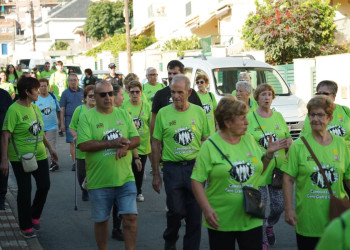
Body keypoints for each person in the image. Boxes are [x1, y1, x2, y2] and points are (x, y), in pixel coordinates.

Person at [191, 95, 285, 250]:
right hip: (221, 219)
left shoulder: (249, 139)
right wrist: (206, 209)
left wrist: (268, 155)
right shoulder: (210, 145)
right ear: (227, 122)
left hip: (251, 216)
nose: (247, 122)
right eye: (242, 119)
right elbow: (196, 180)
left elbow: (258, 170)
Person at [77, 80, 140, 250]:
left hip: (125, 178)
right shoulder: (87, 117)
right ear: (95, 97)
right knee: (102, 220)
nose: (108, 97)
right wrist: (112, 143)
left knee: (130, 217)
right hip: (99, 181)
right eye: (103, 94)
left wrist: (126, 146)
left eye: (110, 94)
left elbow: (136, 139)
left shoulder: (123, 114)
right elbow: (83, 145)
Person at [282, 95, 350, 250]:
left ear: (330, 118)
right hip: (308, 220)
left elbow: (348, 178)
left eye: (320, 115)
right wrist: (288, 209)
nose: (315, 119)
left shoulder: (341, 144)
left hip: (337, 217)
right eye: (311, 114)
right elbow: (288, 179)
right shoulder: (298, 146)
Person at [152, 74, 210, 250]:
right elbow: (155, 143)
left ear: (189, 92)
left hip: (195, 168)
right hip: (172, 168)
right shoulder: (163, 113)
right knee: (176, 211)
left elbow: (206, 140)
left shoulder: (199, 112)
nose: (175, 96)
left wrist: (209, 169)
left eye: (180, 92)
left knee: (194, 215)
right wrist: (156, 174)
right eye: (172, 92)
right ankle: (170, 238)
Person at [0, 77, 58, 238]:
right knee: (25, 190)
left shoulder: (34, 107)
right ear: (27, 92)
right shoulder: (14, 110)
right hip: (20, 157)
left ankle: (34, 216)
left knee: (44, 185)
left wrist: (51, 149)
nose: (39, 91)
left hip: (39, 154)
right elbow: (5, 135)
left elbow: (40, 130)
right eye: (36, 89)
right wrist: (4, 159)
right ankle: (25, 226)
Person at [247, 83, 293, 249]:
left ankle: (269, 224)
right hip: (259, 168)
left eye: (269, 94)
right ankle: (262, 239)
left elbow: (288, 137)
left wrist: (289, 143)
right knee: (260, 207)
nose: (267, 97)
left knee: (279, 206)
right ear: (256, 98)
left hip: (277, 170)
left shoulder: (278, 116)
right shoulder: (250, 117)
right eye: (263, 95)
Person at [150, 60, 202, 136]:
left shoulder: (191, 93)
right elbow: (154, 120)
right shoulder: (160, 94)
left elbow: (200, 115)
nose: (171, 76)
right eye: (169, 73)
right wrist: (154, 141)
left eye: (175, 73)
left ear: (183, 74)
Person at [121, 80, 151, 202]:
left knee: (139, 170)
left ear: (141, 92)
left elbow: (150, 124)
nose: (134, 94)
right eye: (132, 92)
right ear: (128, 92)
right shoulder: (124, 106)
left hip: (143, 144)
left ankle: (138, 191)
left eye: (137, 92)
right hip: (129, 144)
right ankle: (129, 191)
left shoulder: (146, 106)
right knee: (130, 169)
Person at [69, 85, 95, 201]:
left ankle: (95, 191)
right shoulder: (79, 110)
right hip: (82, 148)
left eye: (95, 95)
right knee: (81, 174)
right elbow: (72, 126)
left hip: (96, 148)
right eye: (90, 96)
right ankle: (84, 190)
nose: (93, 98)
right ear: (85, 97)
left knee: (95, 171)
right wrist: (75, 135)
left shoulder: (101, 110)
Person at [34, 78, 61, 172]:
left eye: (45, 86)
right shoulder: (35, 98)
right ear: (38, 88)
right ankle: (42, 163)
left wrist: (60, 122)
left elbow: (58, 110)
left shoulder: (53, 97)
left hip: (52, 126)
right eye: (41, 86)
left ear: (48, 86)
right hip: (40, 127)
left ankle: (53, 162)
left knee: (51, 144)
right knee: (41, 146)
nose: (43, 88)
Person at [59, 73, 84, 171]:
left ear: (78, 81)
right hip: (70, 120)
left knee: (83, 140)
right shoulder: (65, 93)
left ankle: (83, 160)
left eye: (75, 80)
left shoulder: (83, 91)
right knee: (72, 142)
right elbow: (62, 108)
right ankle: (75, 162)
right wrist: (62, 123)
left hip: (82, 121)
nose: (73, 82)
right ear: (68, 82)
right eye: (71, 80)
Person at [0, 89, 12, 210]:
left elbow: (11, 115)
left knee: (3, 167)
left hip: (2, 138)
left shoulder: (4, 95)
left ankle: (1, 198)